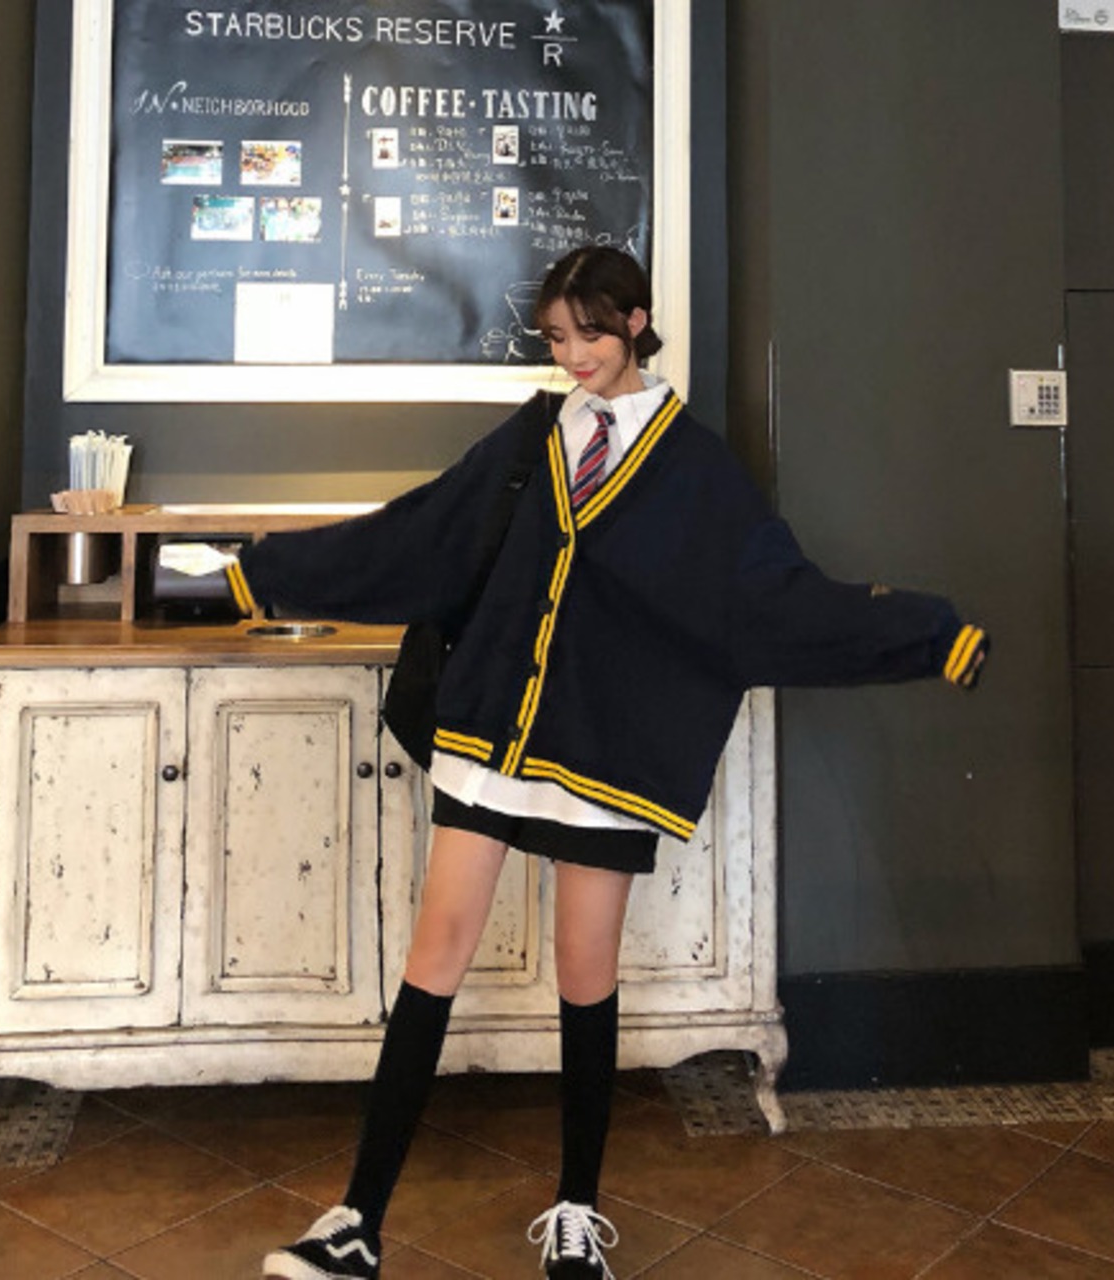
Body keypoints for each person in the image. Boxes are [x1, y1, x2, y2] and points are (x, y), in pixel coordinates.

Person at [231, 245, 989, 1280]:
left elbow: (775, 598)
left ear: (635, 322)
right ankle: (356, 1219)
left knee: (585, 973)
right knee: (432, 959)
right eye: (556, 336)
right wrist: (266, 568)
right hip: (493, 742)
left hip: (604, 757)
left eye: (590, 332)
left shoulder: (696, 470)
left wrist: (922, 634)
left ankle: (577, 1211)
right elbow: (422, 532)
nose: (573, 355)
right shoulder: (531, 437)